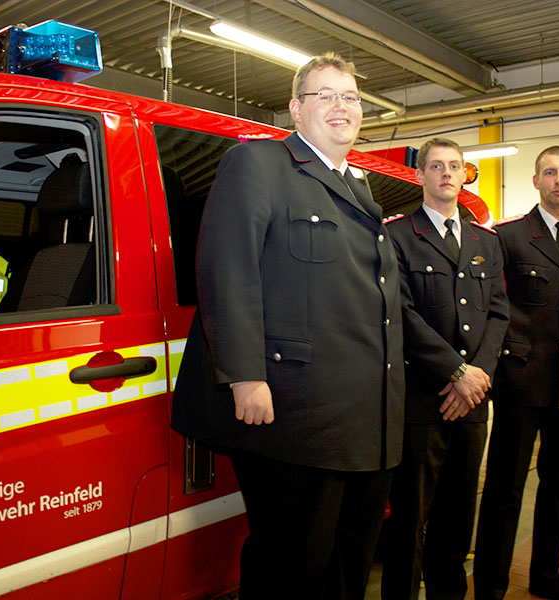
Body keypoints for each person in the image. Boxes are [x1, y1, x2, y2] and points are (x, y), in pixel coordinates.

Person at [171, 52, 404, 600]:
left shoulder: (358, 189)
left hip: (366, 418)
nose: (341, 106)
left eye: (350, 96)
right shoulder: (258, 164)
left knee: (350, 561)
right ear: (296, 110)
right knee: (292, 566)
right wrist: (245, 375)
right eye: (325, 95)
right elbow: (227, 270)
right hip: (295, 413)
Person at [380, 138, 509, 600]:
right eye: (436, 166)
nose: (447, 173)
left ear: (464, 174)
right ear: (420, 176)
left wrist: (478, 377)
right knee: (409, 521)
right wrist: (456, 373)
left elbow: (499, 313)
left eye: (455, 166)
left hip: (472, 403)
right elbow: (400, 312)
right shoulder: (397, 236)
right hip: (422, 400)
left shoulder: (485, 242)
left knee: (457, 520)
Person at [474, 146, 559, 600]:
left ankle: (547, 576)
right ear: (535, 181)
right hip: (521, 381)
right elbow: (494, 306)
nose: (558, 181)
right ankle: (490, 584)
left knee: (557, 487)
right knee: (505, 489)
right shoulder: (508, 237)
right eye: (550, 172)